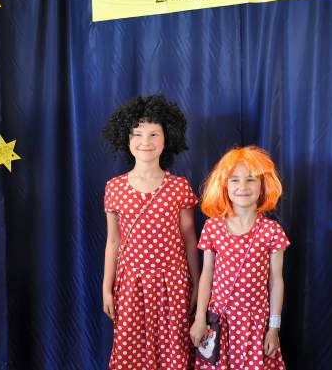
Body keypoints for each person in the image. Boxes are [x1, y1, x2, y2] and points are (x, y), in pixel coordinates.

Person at [102, 94, 199, 370]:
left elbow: (189, 240)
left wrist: (196, 284)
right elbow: (113, 242)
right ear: (126, 138)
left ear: (167, 139)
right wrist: (106, 288)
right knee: (131, 351)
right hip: (131, 284)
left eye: (154, 134)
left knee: (173, 350)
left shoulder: (179, 187)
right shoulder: (114, 188)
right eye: (138, 134)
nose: (145, 141)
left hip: (173, 284)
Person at [190, 146, 290, 370]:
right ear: (224, 185)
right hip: (220, 322)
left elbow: (276, 281)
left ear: (263, 185)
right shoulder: (212, 228)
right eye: (234, 180)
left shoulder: (272, 232)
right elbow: (207, 275)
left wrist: (273, 328)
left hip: (255, 324)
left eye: (251, 180)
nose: (242, 187)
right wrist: (200, 318)